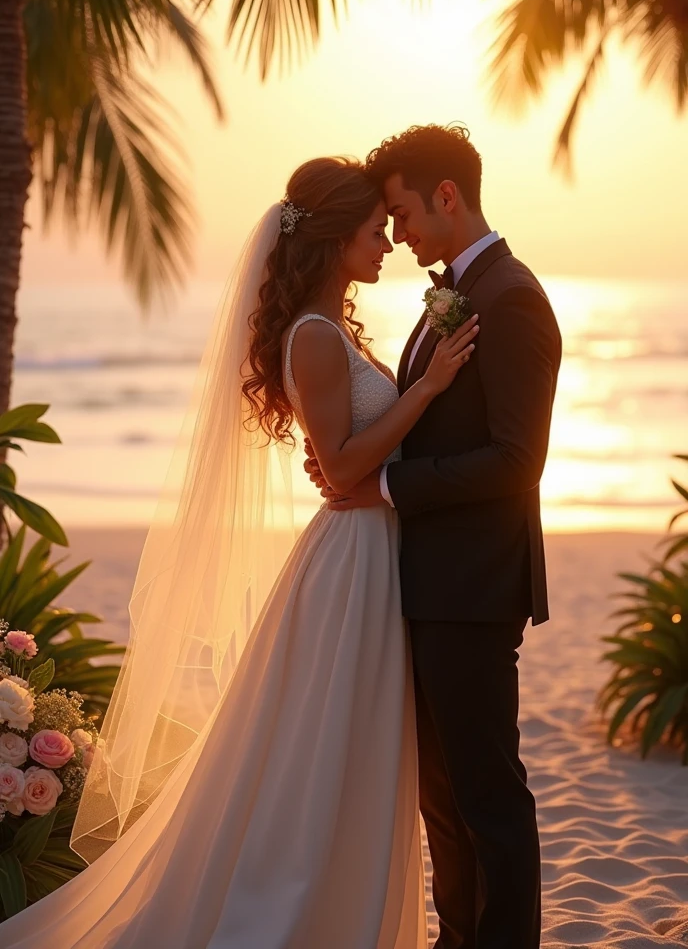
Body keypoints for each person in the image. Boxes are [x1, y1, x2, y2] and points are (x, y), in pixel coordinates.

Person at [0, 156, 477, 948]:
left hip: (368, 549)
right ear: (330, 240)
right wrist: (426, 393)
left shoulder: (334, 329)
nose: (388, 244)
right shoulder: (316, 338)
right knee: (330, 750)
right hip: (351, 563)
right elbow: (349, 464)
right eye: (372, 231)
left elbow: (345, 459)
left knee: (350, 747)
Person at [307, 124, 562, 949]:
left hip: (474, 585)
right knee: (442, 799)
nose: (400, 233)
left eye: (403, 212)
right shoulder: (457, 290)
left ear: (446, 195)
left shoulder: (511, 296)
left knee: (487, 795)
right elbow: (429, 425)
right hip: (428, 580)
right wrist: (361, 465)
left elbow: (517, 461)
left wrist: (381, 485)